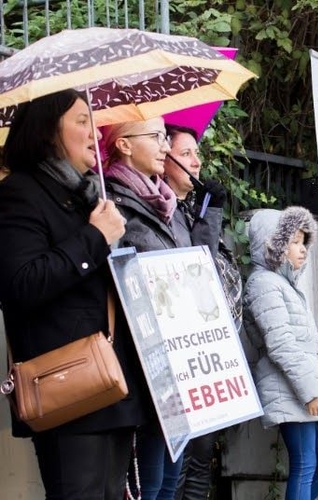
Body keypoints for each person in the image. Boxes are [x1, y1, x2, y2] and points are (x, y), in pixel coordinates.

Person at [0, 88, 148, 498]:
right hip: (68, 388)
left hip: (114, 384)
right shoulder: (20, 193)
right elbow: (21, 284)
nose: (92, 131)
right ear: (49, 131)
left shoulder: (89, 198)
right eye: (81, 120)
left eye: (92, 120)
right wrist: (95, 237)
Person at [102, 117, 223, 499]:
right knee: (151, 484)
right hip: (148, 360)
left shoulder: (164, 203)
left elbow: (197, 265)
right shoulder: (116, 204)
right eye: (156, 138)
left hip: (179, 357)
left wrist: (210, 213)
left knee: (171, 479)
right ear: (123, 144)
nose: (163, 146)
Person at [161, 124, 241, 500]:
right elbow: (198, 268)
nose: (198, 161)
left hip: (211, 354)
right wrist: (210, 215)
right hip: (181, 354)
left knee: (201, 459)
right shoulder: (165, 211)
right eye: (187, 152)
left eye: (197, 152)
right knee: (176, 467)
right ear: (165, 157)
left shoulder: (191, 205)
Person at [241, 207, 318, 500]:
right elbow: (281, 344)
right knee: (307, 464)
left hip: (307, 387)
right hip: (291, 389)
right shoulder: (263, 284)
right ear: (272, 245)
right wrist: (311, 391)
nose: (303, 250)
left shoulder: (284, 284)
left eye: (303, 242)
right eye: (295, 242)